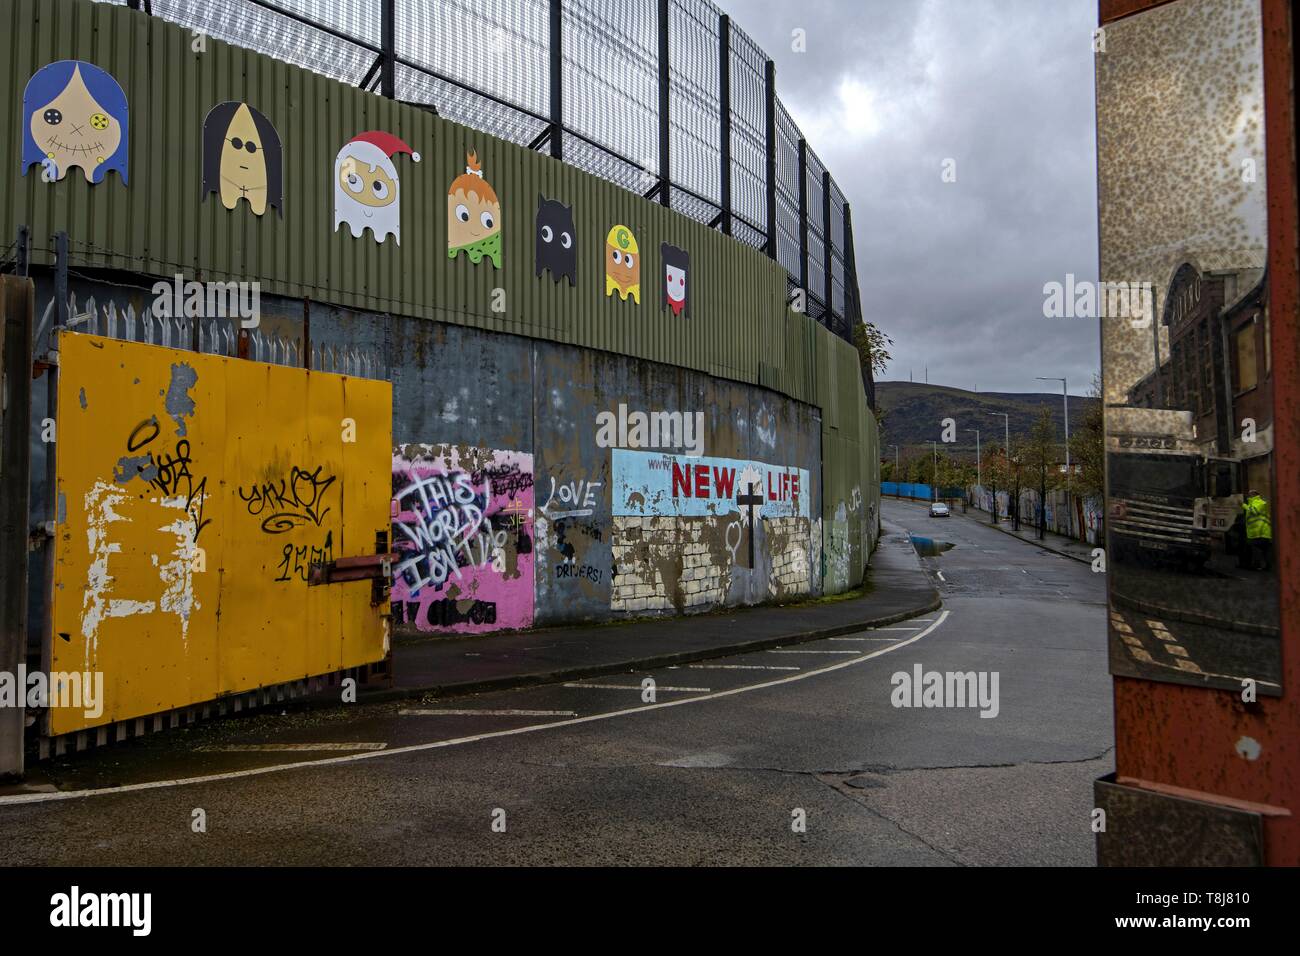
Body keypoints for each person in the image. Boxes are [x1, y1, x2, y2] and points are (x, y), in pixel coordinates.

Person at [1242, 489, 1272, 571]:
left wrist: (1243, 505)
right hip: (1260, 531)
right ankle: (1267, 566)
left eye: (1250, 494)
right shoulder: (1254, 503)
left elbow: (1254, 511)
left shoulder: (1259, 502)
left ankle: (1257, 566)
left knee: (1257, 549)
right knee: (1265, 550)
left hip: (1260, 531)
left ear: (1254, 495)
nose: (1248, 496)